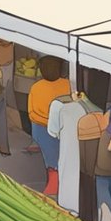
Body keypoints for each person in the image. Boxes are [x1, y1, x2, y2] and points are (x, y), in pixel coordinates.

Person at [30, 56, 71, 195]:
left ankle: (53, 186)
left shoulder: (36, 87)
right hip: (63, 128)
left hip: (43, 129)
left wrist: (46, 121)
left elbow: (32, 113)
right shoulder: (68, 84)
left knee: (51, 159)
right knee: (62, 157)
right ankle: (59, 185)